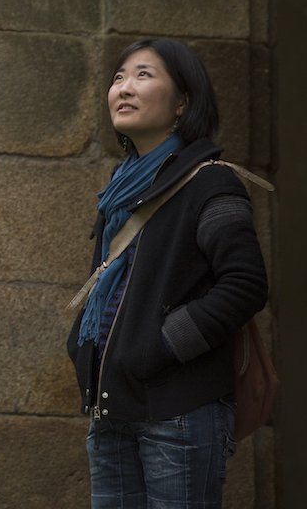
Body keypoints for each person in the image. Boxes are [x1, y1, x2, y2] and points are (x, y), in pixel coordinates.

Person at [66, 38, 268, 508]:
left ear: (183, 103)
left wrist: (157, 347)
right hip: (111, 411)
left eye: (143, 75)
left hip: (178, 412)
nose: (124, 88)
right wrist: (82, 346)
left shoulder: (211, 182)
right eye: (118, 78)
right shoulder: (118, 196)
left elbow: (244, 285)